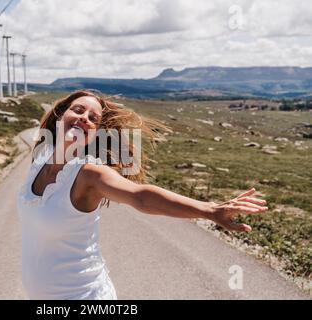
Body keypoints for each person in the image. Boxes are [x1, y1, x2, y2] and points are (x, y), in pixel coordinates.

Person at [16, 90, 268, 300]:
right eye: (79, 110)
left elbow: (140, 196)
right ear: (62, 114)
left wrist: (209, 210)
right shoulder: (40, 158)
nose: (84, 118)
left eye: (93, 118)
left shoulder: (89, 174)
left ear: (95, 133)